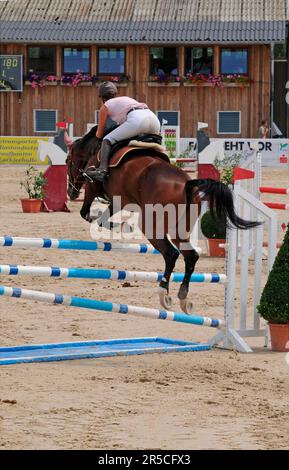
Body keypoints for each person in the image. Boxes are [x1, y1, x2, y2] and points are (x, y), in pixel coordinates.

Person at [88, 81, 161, 181]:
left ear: (101, 97)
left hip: (137, 121)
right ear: (115, 93)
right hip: (154, 120)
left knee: (107, 139)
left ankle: (102, 170)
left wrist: (95, 140)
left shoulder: (105, 106)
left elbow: (100, 134)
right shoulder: (126, 99)